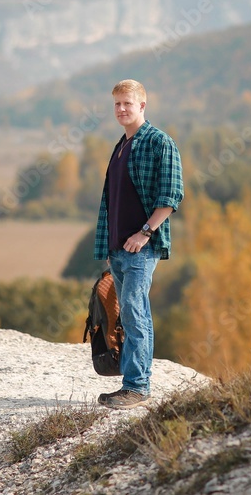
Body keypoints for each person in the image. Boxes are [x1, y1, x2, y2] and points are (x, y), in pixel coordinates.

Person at [94, 79, 183, 409]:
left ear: (142, 106)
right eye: (116, 104)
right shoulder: (121, 145)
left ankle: (137, 387)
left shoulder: (159, 143)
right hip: (118, 248)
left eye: (127, 104)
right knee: (125, 314)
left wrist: (144, 232)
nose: (121, 109)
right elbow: (113, 202)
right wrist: (110, 247)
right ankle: (131, 383)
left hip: (142, 246)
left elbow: (171, 197)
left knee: (134, 310)